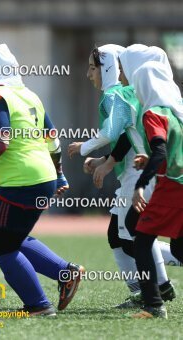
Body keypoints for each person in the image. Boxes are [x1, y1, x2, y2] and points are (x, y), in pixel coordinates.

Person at [0, 42, 83, 316]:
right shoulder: (29, 94)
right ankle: (66, 272)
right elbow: (52, 139)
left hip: (21, 180)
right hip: (43, 176)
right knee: (16, 236)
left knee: (3, 247)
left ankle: (38, 305)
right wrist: (60, 174)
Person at [67, 45, 177, 308]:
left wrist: (84, 148)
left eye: (93, 68)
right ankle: (150, 290)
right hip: (145, 173)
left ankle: (157, 291)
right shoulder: (139, 95)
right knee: (122, 236)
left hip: (143, 176)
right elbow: (130, 136)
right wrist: (106, 162)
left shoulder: (118, 95)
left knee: (137, 235)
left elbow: (115, 132)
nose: (88, 74)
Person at [129, 61, 183, 318]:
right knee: (179, 249)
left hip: (173, 187)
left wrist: (140, 185)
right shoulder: (176, 111)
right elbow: (168, 151)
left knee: (141, 242)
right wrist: (149, 160)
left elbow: (161, 149)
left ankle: (153, 305)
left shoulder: (153, 112)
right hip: (178, 183)